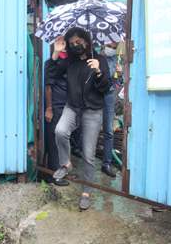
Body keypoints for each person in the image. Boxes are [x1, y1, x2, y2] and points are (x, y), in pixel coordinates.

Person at [47, 27, 111, 210]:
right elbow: (52, 75)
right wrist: (56, 54)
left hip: (92, 111)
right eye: (72, 43)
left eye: (79, 41)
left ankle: (86, 191)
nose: (76, 45)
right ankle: (66, 163)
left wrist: (98, 71)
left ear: (87, 41)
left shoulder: (99, 60)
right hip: (73, 107)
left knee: (88, 154)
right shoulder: (70, 62)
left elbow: (105, 88)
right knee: (60, 131)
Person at [44, 41, 70, 186]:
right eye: (60, 42)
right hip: (56, 106)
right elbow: (48, 86)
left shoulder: (68, 60)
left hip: (67, 106)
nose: (64, 45)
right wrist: (49, 108)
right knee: (53, 141)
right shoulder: (51, 63)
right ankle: (53, 176)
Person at [101, 43, 118, 178]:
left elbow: (112, 75)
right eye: (110, 43)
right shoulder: (94, 54)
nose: (112, 46)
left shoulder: (114, 58)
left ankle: (106, 163)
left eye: (114, 44)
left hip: (109, 94)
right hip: (94, 94)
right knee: (89, 127)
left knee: (108, 130)